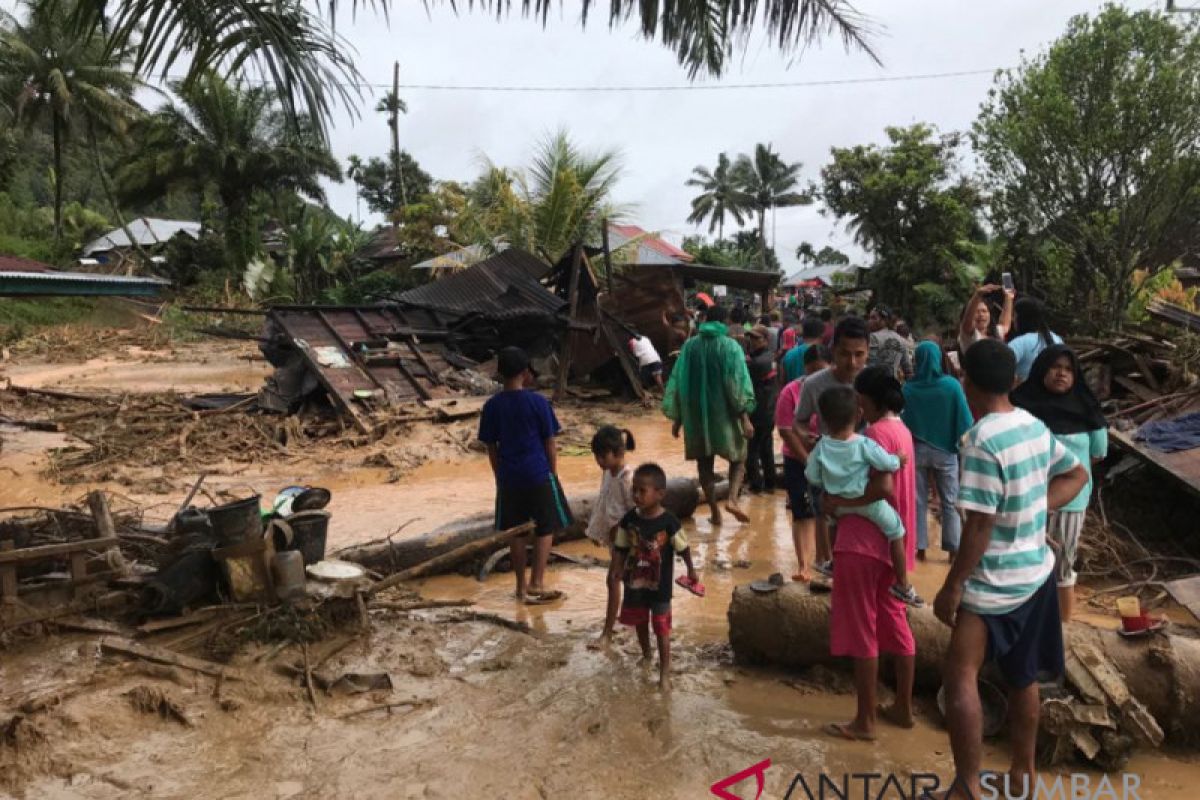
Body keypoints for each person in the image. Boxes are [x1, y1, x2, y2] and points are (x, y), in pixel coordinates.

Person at [933, 339, 1088, 799]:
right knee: (1023, 679)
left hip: (992, 585)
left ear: (967, 384)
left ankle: (967, 787)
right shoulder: (1033, 426)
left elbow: (978, 528)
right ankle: (1023, 776)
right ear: (1014, 382)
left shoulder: (979, 442)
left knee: (959, 676)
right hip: (1037, 577)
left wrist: (952, 585)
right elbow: (1076, 474)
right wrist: (1033, 514)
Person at [820, 367, 919, 741]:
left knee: (862, 629)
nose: (857, 406)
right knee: (894, 620)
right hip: (895, 542)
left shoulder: (873, 434)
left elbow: (882, 489)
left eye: (860, 399)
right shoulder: (902, 431)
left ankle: (865, 721)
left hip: (863, 541)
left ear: (868, 401)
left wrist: (838, 503)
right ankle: (903, 708)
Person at [1012, 345, 1108, 622]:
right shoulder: (1020, 404)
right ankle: (1025, 625)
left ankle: (1063, 629)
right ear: (1042, 369)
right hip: (1024, 498)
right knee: (1024, 563)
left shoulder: (1088, 409)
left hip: (1069, 502)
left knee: (1062, 564)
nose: (1061, 374)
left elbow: (1097, 454)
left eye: (1068, 369)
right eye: (1055, 367)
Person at [806, 385, 920, 607]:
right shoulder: (863, 443)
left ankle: (832, 563)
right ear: (859, 415)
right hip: (868, 504)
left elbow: (811, 475)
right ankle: (903, 585)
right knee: (897, 531)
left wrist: (827, 486)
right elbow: (885, 463)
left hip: (836, 506)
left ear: (823, 419)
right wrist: (899, 460)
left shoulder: (821, 447)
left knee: (831, 523)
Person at [478, 347, 573, 605]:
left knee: (516, 531)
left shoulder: (492, 406)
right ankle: (537, 582)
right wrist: (552, 474)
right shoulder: (539, 402)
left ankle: (520, 587)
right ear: (525, 373)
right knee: (545, 527)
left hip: (509, 477)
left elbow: (491, 447)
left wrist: (499, 475)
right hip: (537, 472)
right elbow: (550, 442)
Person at [662, 304, 757, 525]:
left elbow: (679, 382)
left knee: (704, 465)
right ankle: (732, 499)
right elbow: (736, 384)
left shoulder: (690, 346)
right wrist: (745, 417)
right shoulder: (730, 347)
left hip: (696, 417)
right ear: (724, 322)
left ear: (705, 320)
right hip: (725, 415)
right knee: (739, 458)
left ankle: (714, 510)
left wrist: (678, 418)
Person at [793, 316, 872, 576]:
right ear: (833, 349)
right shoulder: (814, 384)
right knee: (828, 522)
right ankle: (829, 573)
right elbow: (799, 422)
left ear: (867, 352)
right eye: (844, 354)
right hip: (829, 469)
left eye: (859, 354)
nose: (852, 362)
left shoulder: (875, 382)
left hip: (868, 470)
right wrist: (808, 438)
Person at [613, 463, 698, 690]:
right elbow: (620, 547)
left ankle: (664, 672)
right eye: (635, 490)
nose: (637, 495)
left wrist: (691, 570)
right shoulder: (629, 520)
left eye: (642, 491)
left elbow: (684, 548)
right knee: (640, 622)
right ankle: (647, 654)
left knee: (661, 627)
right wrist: (617, 569)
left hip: (659, 587)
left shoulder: (669, 522)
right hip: (634, 583)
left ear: (660, 494)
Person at [902, 341, 974, 561]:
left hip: (916, 451)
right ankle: (953, 550)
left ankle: (920, 548)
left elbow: (903, 421)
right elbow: (965, 420)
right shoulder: (951, 386)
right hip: (946, 451)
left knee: (918, 500)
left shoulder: (908, 388)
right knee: (950, 501)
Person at [776, 345, 831, 582]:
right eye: (811, 371)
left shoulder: (838, 391)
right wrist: (806, 459)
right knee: (802, 511)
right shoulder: (790, 391)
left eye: (820, 371)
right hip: (797, 458)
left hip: (830, 459)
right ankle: (803, 565)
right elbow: (785, 430)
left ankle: (824, 560)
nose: (814, 377)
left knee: (827, 512)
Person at [585, 426, 636, 649]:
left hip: (628, 542)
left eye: (602, 456)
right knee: (625, 581)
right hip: (615, 541)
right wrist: (597, 531)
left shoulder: (628, 479)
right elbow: (603, 502)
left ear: (617, 452)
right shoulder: (608, 474)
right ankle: (629, 623)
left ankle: (607, 634)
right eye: (596, 456)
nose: (599, 461)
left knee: (613, 580)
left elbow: (636, 512)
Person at [744, 325, 778, 494]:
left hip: (761, 412)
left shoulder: (761, 361)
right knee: (766, 448)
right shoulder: (763, 357)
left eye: (757, 338)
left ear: (766, 340)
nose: (752, 341)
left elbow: (745, 370)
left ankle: (756, 485)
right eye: (751, 337)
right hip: (767, 411)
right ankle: (770, 483)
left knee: (751, 451)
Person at [1008, 297, 1063, 383]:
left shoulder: (1019, 343)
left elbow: (1000, 370)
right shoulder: (1057, 339)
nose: (1012, 319)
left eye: (1014, 315)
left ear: (1022, 318)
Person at [958, 283, 1014, 354]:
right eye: (976, 312)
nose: (981, 315)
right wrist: (977, 295)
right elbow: (967, 321)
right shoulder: (969, 336)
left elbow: (1005, 324)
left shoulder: (995, 332)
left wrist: (1008, 297)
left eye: (984, 311)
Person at [867, 306, 913, 381]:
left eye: (873, 318)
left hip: (873, 385)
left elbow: (870, 366)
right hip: (892, 386)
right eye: (870, 318)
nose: (869, 321)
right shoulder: (901, 340)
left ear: (884, 320)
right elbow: (908, 371)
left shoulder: (873, 337)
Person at [780, 317, 826, 384]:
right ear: (822, 335)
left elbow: (783, 382)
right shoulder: (824, 355)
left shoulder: (789, 354)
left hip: (791, 393)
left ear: (803, 333)